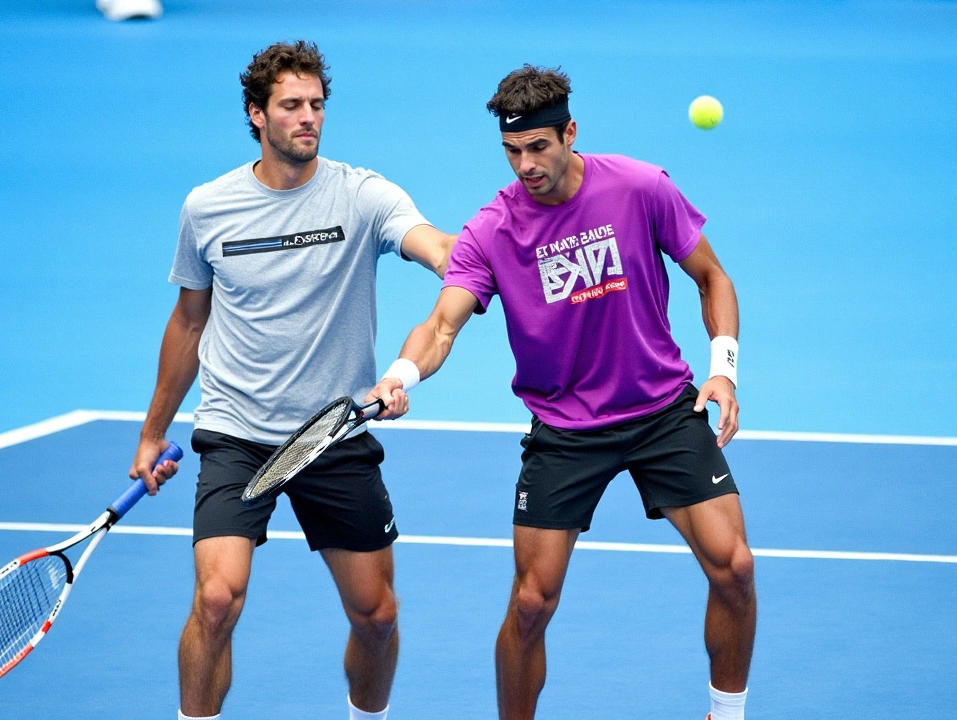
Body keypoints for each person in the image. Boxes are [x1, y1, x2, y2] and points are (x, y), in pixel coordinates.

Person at [366, 65, 756, 720]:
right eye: (512, 151)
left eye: (538, 147)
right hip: (567, 432)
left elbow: (712, 276)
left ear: (569, 133)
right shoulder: (492, 229)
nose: (525, 165)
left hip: (662, 410)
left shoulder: (640, 187)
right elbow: (441, 325)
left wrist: (723, 368)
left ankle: (728, 713)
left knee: (735, 567)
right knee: (530, 604)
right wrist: (400, 376)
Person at [128, 40, 454, 720]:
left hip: (332, 432)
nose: (308, 118)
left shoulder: (363, 195)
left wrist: (479, 260)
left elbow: (439, 249)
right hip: (236, 432)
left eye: (316, 105)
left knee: (376, 615)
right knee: (216, 600)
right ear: (257, 115)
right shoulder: (208, 207)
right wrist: (152, 432)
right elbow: (189, 323)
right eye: (291, 106)